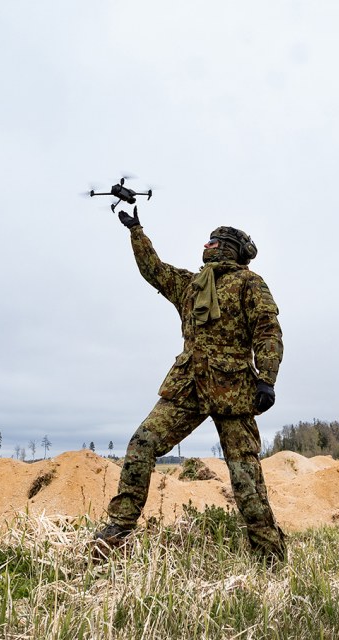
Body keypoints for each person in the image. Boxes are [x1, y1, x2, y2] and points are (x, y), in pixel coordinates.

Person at [93, 205, 286, 563]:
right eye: (208, 240)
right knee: (142, 443)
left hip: (233, 391)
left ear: (231, 249)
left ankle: (270, 557)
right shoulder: (191, 285)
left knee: (245, 477)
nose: (208, 245)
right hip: (187, 386)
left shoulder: (249, 283)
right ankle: (116, 534)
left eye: (215, 241)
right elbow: (154, 270)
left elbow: (267, 330)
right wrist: (136, 230)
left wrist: (267, 379)